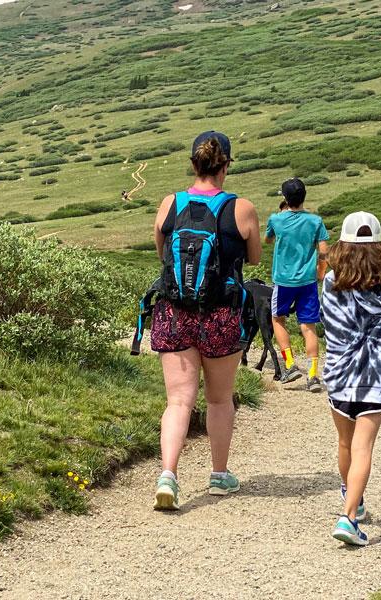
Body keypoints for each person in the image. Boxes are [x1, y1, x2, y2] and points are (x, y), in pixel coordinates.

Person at [150, 131, 261, 510]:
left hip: (174, 311)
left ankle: (168, 474)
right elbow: (255, 257)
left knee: (178, 401)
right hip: (221, 314)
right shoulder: (241, 208)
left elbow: (162, 252)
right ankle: (218, 474)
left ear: (193, 163)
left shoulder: (171, 203)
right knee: (218, 399)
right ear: (225, 164)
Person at [321, 212, 381, 546]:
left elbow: (329, 323)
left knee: (346, 443)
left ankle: (352, 501)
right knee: (364, 446)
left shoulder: (331, 282)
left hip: (341, 371)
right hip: (378, 372)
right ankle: (348, 518)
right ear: (379, 245)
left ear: (342, 245)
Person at [264, 177, 329, 391]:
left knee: (278, 319)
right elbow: (324, 250)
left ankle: (290, 365)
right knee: (308, 326)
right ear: (304, 197)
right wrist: (321, 270)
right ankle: (313, 375)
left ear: (285, 198)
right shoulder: (315, 221)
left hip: (283, 281)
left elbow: (268, 240)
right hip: (308, 281)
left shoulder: (276, 219)